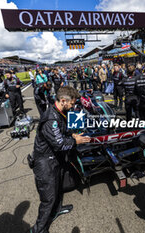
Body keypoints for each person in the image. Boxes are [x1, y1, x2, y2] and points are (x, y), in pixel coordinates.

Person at [30, 86, 91, 233]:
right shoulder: (51, 119)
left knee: (57, 188)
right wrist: (75, 141)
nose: (73, 106)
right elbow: (59, 144)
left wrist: (73, 135)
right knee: (48, 198)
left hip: (54, 158)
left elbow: (64, 132)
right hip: (44, 162)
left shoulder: (60, 111)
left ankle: (57, 210)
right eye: (71, 104)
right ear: (63, 100)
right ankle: (38, 229)